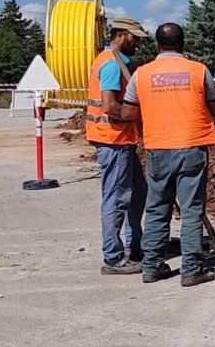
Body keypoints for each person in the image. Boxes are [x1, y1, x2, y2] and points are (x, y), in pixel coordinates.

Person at [121, 22, 215, 287]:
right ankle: (191, 270)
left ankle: (151, 266)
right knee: (191, 210)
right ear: (183, 44)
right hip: (192, 148)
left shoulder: (142, 74)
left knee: (156, 209)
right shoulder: (198, 71)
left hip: (158, 149)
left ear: (157, 45)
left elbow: (128, 113)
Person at [84, 16, 149, 276]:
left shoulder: (118, 62)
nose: (137, 44)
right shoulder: (111, 65)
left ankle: (135, 246)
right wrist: (136, 115)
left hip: (121, 139)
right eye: (134, 38)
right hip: (113, 139)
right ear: (121, 35)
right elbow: (110, 106)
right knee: (117, 197)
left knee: (138, 192)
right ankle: (113, 257)